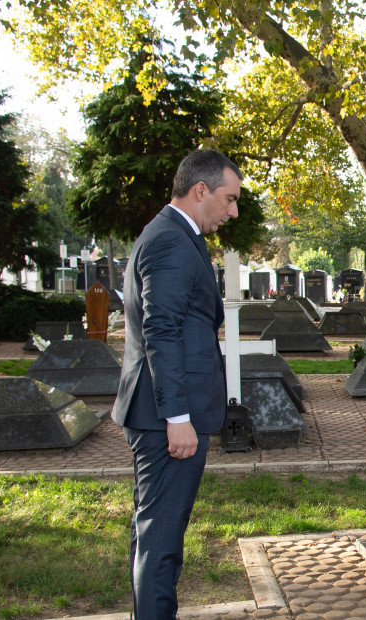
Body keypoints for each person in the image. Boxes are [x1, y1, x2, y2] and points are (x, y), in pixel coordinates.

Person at [112, 148, 241, 620]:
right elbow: (159, 330)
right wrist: (178, 418)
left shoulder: (175, 235)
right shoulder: (169, 240)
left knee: (153, 535)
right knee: (161, 543)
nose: (233, 211)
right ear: (200, 190)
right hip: (166, 419)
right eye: (228, 199)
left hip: (163, 413)